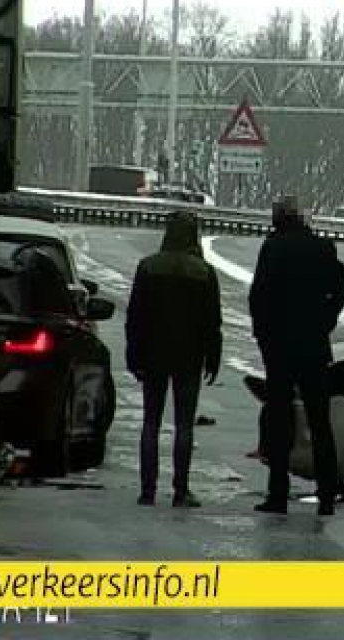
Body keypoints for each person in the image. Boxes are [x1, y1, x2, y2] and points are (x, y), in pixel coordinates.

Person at [249, 196, 344, 516]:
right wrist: (325, 320)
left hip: (280, 348)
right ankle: (327, 495)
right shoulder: (323, 248)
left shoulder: (273, 248)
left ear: (277, 219)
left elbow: (259, 298)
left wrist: (264, 336)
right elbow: (341, 290)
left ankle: (278, 494)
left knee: (280, 419)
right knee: (320, 422)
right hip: (314, 347)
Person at [125, 211, 222, 508]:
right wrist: (212, 357)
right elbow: (212, 322)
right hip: (189, 356)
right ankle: (181, 490)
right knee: (184, 425)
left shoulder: (148, 267)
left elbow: (135, 316)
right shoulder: (204, 273)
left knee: (151, 422)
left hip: (154, 354)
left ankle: (147, 490)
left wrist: (134, 353)